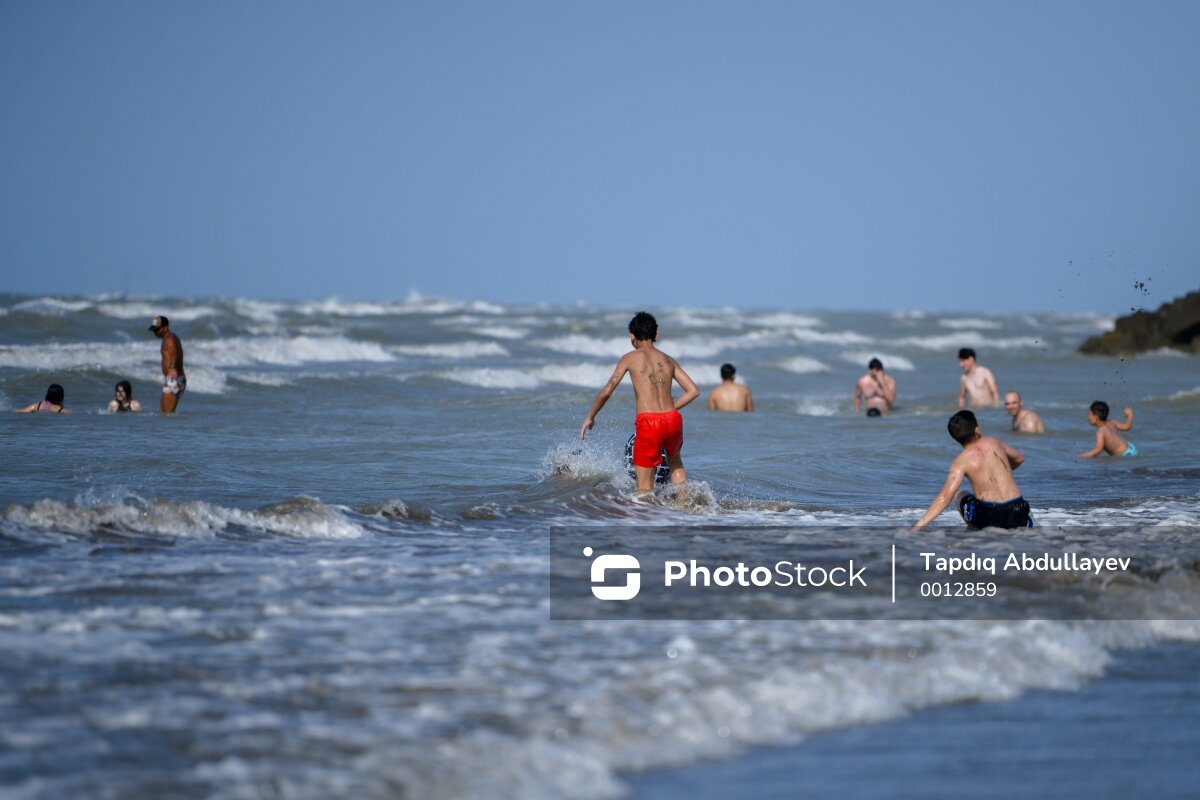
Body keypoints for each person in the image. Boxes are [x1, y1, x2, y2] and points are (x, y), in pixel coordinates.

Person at [579, 311, 700, 496]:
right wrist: (669, 409)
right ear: (656, 335)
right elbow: (693, 390)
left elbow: (607, 390)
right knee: (675, 463)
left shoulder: (629, 358)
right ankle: (684, 507)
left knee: (644, 488)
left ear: (632, 336)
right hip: (672, 419)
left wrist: (590, 416)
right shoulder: (668, 359)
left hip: (649, 423)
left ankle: (645, 519)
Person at [914, 410, 1032, 530]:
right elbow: (1019, 459)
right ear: (977, 429)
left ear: (956, 438)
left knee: (959, 494)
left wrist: (917, 527)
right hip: (1018, 508)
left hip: (992, 515)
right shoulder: (994, 442)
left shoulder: (960, 462)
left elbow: (945, 497)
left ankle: (974, 529)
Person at [149, 316, 186, 413]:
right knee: (164, 413)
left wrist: (172, 367)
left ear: (165, 327)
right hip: (173, 379)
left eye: (157, 330)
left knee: (168, 414)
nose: (155, 332)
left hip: (174, 379)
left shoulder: (169, 339)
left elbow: (173, 351)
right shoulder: (168, 337)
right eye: (154, 330)